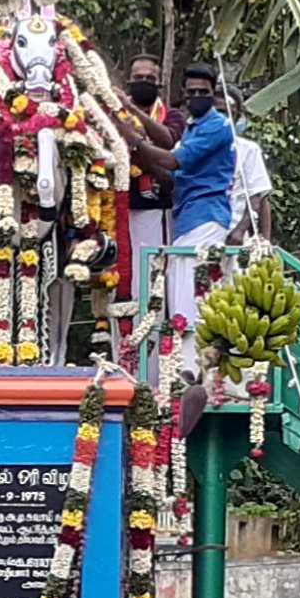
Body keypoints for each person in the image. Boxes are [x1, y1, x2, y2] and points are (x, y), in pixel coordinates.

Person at [118, 63, 234, 373]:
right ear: (183, 94)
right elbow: (170, 180)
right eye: (191, 92)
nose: (196, 96)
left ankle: (192, 376)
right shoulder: (193, 127)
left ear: (213, 94)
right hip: (186, 221)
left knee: (190, 304)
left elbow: (171, 160)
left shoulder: (217, 126)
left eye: (203, 92)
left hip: (206, 220)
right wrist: (137, 154)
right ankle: (185, 374)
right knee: (179, 301)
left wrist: (135, 139)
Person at [116, 54, 186, 291]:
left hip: (155, 209)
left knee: (152, 280)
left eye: (149, 78)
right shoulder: (113, 114)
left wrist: (132, 119)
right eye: (138, 78)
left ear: (160, 83)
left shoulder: (173, 117)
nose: (143, 82)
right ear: (128, 80)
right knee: (119, 281)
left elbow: (168, 142)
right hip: (118, 209)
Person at [215, 87, 273, 244]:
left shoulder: (248, 150)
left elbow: (258, 196)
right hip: (197, 236)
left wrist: (241, 231)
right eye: (218, 112)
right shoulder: (190, 146)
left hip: (233, 239)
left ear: (237, 117)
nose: (223, 118)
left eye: (228, 113)